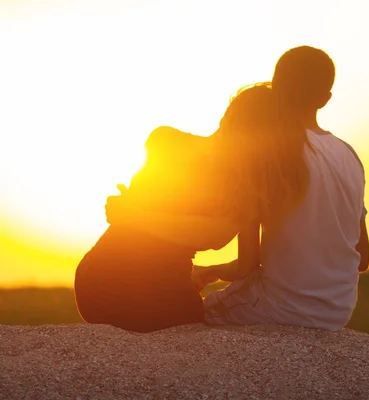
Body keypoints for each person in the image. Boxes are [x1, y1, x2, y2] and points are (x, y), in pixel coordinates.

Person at [75, 83, 307, 333]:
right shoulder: (245, 186)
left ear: (227, 115)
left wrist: (132, 214)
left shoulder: (166, 139)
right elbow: (223, 246)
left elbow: (221, 244)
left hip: (94, 286)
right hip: (149, 301)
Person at [193, 46, 369, 331]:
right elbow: (363, 257)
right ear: (325, 100)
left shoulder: (271, 153)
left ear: (275, 88)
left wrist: (207, 271)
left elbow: (246, 266)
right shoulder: (349, 155)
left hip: (279, 307)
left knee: (190, 314)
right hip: (338, 313)